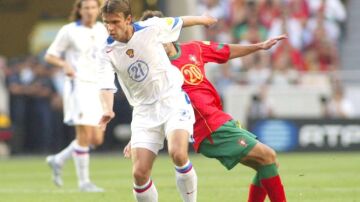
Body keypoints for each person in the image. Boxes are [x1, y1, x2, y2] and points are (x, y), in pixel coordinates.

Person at [125, 10, 288, 202]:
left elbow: (226, 51)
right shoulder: (155, 70)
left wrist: (259, 46)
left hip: (219, 118)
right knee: (268, 156)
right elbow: (148, 106)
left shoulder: (194, 49)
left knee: (267, 164)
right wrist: (136, 137)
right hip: (207, 128)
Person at [97, 0, 217, 201]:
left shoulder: (151, 28)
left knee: (178, 154)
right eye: (106, 22)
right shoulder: (105, 51)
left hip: (172, 99)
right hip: (144, 111)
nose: (110, 28)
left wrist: (204, 20)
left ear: (128, 20)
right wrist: (107, 109)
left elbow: (180, 21)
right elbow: (105, 84)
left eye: (115, 22)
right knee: (139, 174)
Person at [44, 0, 108, 192]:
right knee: (83, 134)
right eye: (85, 7)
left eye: (92, 7)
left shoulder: (103, 29)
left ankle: (58, 159)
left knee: (96, 140)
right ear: (79, 10)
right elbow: (50, 55)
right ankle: (84, 182)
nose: (89, 11)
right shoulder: (69, 30)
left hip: (98, 86)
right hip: (78, 85)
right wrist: (65, 65)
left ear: (98, 10)